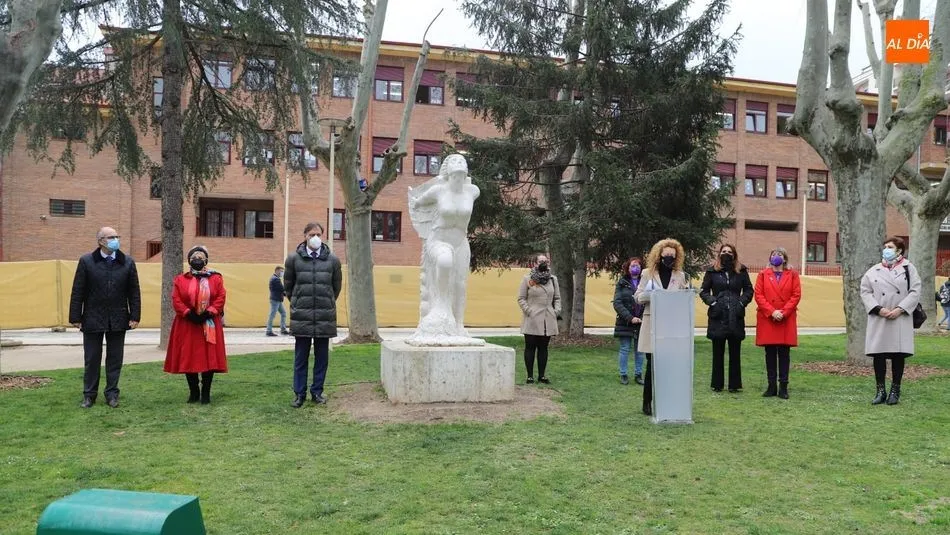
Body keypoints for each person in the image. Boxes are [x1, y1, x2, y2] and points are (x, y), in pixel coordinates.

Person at [405, 153, 483, 346]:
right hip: (438, 239)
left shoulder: (473, 191)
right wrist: (413, 202)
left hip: (460, 241)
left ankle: (459, 325)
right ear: (447, 170)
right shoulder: (439, 191)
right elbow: (418, 201)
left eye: (462, 160)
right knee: (444, 262)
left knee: (460, 284)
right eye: (455, 161)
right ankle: (440, 304)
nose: (459, 163)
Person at [69, 227, 141, 408]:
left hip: (118, 318)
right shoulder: (86, 261)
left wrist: (135, 315)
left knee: (115, 359)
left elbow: (134, 292)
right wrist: (75, 316)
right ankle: (89, 395)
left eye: (117, 236)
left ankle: (112, 394)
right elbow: (78, 290)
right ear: (101, 240)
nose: (116, 239)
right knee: (92, 358)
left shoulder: (127, 263)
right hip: (92, 317)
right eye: (111, 237)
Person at [284, 222, 343, 408]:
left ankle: (317, 392)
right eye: (311, 234)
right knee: (300, 358)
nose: (315, 237)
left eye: (318, 234)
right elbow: (288, 287)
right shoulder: (293, 259)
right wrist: (297, 303)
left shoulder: (332, 260)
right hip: (302, 316)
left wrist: (327, 303)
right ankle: (299, 394)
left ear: (322, 235)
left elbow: (336, 287)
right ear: (305, 236)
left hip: (324, 317)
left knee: (322, 358)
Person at [860, 236, 921, 406]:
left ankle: (895, 390)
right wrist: (878, 309)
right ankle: (880, 391)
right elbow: (865, 291)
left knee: (897, 355)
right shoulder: (874, 270)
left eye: (890, 247)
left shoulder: (909, 268)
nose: (886, 249)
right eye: (885, 246)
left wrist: (900, 309)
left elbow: (915, 291)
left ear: (899, 250)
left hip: (900, 317)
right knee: (878, 355)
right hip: (879, 317)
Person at [634, 238, 691, 416]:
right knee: (652, 363)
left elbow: (684, 298)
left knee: (667, 364)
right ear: (659, 255)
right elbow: (638, 297)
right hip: (652, 322)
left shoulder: (680, 276)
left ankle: (667, 399)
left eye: (672, 256)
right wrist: (653, 295)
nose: (669, 258)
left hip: (671, 325)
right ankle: (647, 401)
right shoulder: (647, 273)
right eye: (666, 255)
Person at [164, 246, 228, 404]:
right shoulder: (180, 279)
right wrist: (188, 313)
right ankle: (194, 391)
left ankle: (206, 392)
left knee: (209, 358)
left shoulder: (216, 278)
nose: (197, 259)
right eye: (194, 257)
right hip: (187, 324)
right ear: (189, 260)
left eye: (200, 256)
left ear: (206, 259)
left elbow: (221, 296)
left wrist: (210, 312)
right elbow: (176, 299)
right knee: (189, 357)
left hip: (209, 323)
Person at [699, 243, 754, 393]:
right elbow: (704, 291)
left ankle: (734, 385)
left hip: (735, 316)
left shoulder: (741, 271)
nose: (726, 254)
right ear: (719, 254)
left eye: (729, 252)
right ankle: (717, 384)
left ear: (734, 254)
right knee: (718, 352)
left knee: (735, 352)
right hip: (718, 316)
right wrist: (713, 302)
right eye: (724, 251)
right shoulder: (712, 271)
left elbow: (749, 290)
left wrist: (741, 303)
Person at [753, 247, 801, 399]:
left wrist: (783, 312)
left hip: (785, 318)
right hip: (768, 318)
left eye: (779, 254)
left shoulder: (793, 275)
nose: (776, 256)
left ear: (785, 259)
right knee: (770, 353)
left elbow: (796, 295)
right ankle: (771, 386)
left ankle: (783, 387)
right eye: (773, 254)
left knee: (784, 354)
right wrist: (772, 311)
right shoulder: (762, 274)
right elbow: (759, 295)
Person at [517, 254, 561, 384]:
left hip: (548, 317)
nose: (543, 263)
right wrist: (529, 310)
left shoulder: (553, 279)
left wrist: (556, 311)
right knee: (530, 347)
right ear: (535, 263)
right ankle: (530, 375)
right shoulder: (527, 279)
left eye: (545, 261)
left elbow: (557, 298)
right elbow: (521, 298)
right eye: (541, 261)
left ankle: (542, 375)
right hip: (532, 317)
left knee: (543, 348)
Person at [613, 257, 645, 385]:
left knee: (640, 350)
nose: (635, 268)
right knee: (625, 348)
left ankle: (638, 374)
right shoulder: (622, 282)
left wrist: (641, 318)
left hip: (642, 321)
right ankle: (623, 374)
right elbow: (617, 303)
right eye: (633, 265)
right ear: (628, 267)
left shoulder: (646, 282)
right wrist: (630, 318)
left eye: (637, 265)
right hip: (625, 322)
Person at [266, 265, 289, 336]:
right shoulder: (275, 279)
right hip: (275, 300)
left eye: (283, 271)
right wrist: (288, 294)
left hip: (277, 299)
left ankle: (283, 329)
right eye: (281, 271)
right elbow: (282, 289)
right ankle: (269, 331)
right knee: (272, 315)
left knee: (283, 313)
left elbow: (280, 290)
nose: (282, 273)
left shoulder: (274, 278)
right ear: (277, 270)